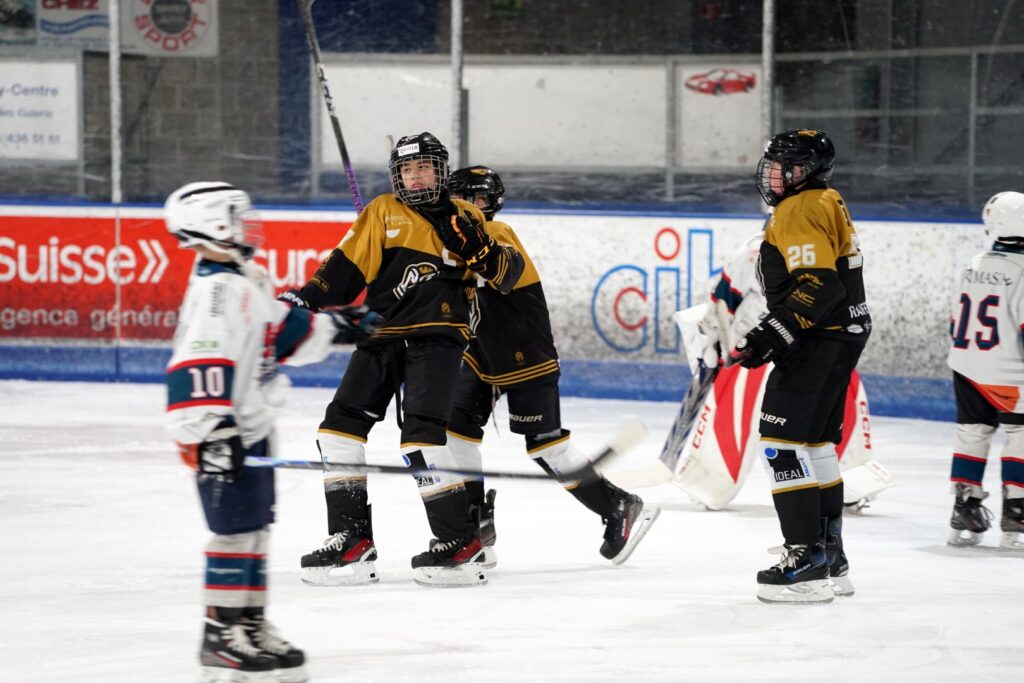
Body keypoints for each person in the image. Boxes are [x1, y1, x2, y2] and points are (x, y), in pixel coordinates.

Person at [283, 133, 524, 587]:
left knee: (421, 441)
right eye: (407, 170)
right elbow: (343, 269)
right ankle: (352, 542)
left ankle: (461, 543)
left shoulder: (467, 216)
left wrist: (477, 247)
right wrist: (306, 299)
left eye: (424, 168)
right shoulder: (382, 211)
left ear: (441, 172)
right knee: (336, 432)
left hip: (437, 337)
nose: (415, 177)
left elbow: (507, 275)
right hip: (382, 334)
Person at [163, 182, 379, 681]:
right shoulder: (216, 294)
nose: (249, 224)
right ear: (215, 224)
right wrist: (210, 432)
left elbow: (282, 331)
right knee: (233, 533)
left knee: (255, 530)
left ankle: (251, 625)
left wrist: (341, 327)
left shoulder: (247, 280)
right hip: (222, 436)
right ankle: (220, 635)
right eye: (237, 215)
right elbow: (195, 365)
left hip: (252, 428)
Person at [444, 165, 661, 567]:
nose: (470, 207)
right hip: (482, 350)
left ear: (492, 203)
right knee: (454, 429)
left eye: (478, 199)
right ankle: (475, 527)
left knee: (546, 446)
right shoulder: (451, 236)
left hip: (524, 351)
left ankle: (618, 505)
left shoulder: (497, 232)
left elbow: (481, 265)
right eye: (461, 199)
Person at [731, 129, 871, 604]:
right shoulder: (827, 199)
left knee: (781, 444)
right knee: (816, 443)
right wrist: (776, 332)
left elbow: (819, 285)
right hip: (841, 333)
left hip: (819, 337)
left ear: (804, 172)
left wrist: (772, 333)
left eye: (782, 167)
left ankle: (805, 560)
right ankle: (830, 557)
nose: (771, 175)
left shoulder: (798, 208)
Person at [660, 232, 886, 513]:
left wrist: (709, 336)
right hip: (818, 348)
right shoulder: (833, 243)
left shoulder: (757, 247)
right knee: (832, 407)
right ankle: (851, 475)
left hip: (760, 347)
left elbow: (722, 300)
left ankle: (710, 479)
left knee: (739, 403)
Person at [945, 191, 1024, 550]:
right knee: (1020, 433)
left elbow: (954, 322)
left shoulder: (972, 264)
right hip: (1009, 371)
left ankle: (965, 506)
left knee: (972, 432)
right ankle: (1018, 509)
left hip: (965, 365)